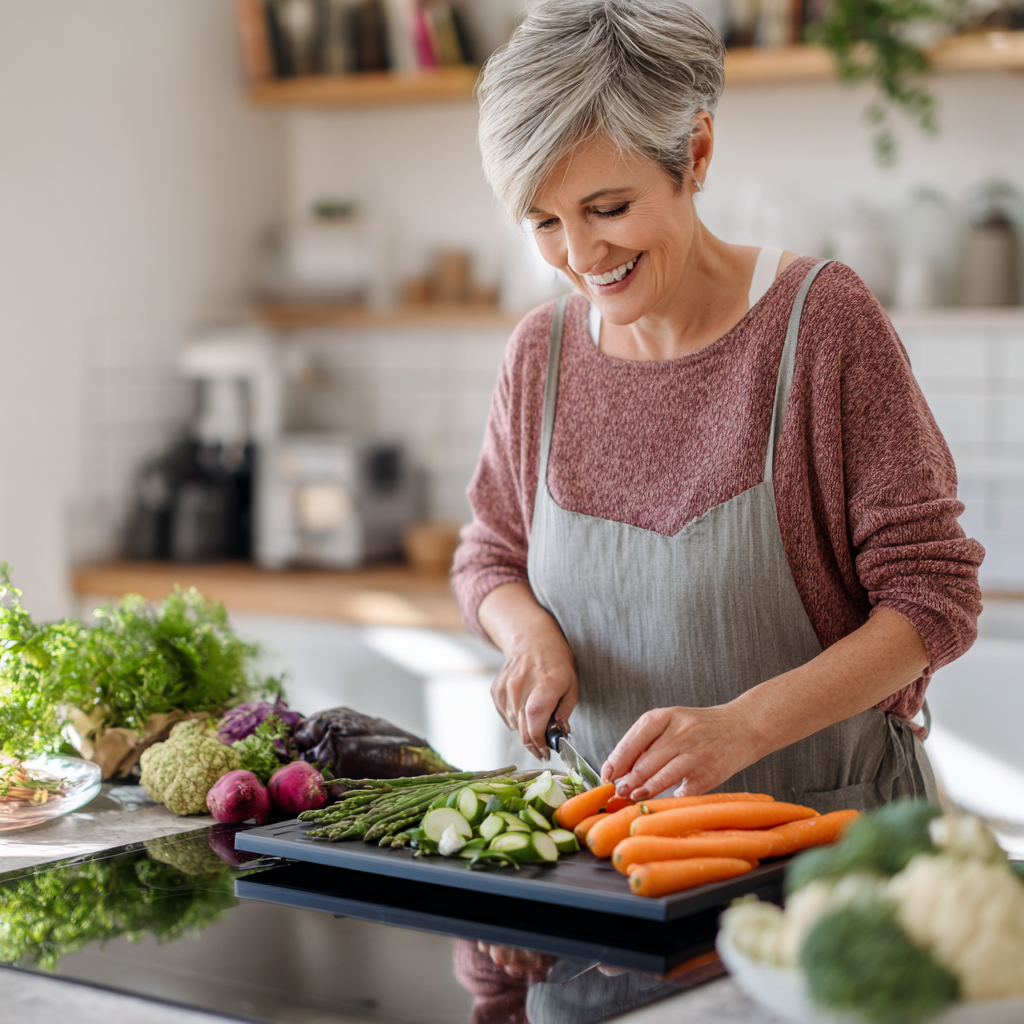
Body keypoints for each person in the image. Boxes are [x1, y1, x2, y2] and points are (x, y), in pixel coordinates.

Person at [451, 0, 984, 810]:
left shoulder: (821, 322)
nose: (582, 255)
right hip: (608, 859)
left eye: (608, 208)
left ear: (695, 152)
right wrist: (528, 635)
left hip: (827, 845)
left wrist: (744, 727)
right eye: (544, 221)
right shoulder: (541, 353)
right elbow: (488, 558)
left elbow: (933, 597)